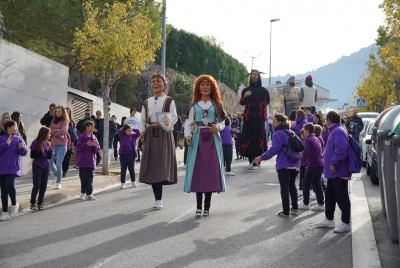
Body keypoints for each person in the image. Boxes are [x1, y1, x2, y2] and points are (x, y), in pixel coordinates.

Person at [184, 74, 227, 216]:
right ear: (198, 87)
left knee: (210, 172)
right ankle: (198, 206)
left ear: (212, 87)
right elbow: (189, 123)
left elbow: (223, 122)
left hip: (213, 140)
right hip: (197, 140)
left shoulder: (217, 105)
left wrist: (218, 127)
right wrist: (187, 136)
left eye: (208, 84)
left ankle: (207, 207)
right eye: (202, 84)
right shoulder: (194, 105)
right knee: (199, 172)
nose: (205, 87)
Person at [139, 73, 178, 209]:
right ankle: (158, 198)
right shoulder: (146, 102)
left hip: (165, 135)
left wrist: (166, 122)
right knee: (153, 165)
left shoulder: (169, 101)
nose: (155, 84)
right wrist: (142, 131)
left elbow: (174, 117)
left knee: (162, 165)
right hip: (151, 135)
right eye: (153, 81)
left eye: (158, 81)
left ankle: (159, 197)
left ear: (164, 84)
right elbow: (143, 120)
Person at [253, 113, 299, 217]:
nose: (272, 123)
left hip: (284, 163)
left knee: (284, 187)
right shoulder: (291, 131)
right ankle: (295, 207)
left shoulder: (278, 133)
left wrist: (261, 157)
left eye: (274, 121)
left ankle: (286, 211)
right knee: (292, 185)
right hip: (295, 162)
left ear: (279, 122)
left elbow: (274, 149)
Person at [315, 111, 352, 233]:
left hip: (338, 171)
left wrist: (333, 163)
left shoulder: (338, 131)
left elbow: (341, 149)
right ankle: (329, 219)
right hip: (333, 173)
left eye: (326, 120)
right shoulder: (336, 130)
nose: (325, 122)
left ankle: (346, 222)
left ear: (329, 120)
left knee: (341, 197)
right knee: (330, 196)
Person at [239, 70, 270, 170]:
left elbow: (267, 101)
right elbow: (241, 102)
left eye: (256, 75)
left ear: (259, 77)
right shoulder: (246, 90)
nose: (254, 76)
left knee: (258, 139)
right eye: (252, 75)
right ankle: (251, 160)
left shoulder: (264, 91)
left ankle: (257, 160)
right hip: (248, 119)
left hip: (259, 119)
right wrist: (245, 96)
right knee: (249, 139)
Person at [0, 120, 28, 221]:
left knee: (10, 184)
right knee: (3, 191)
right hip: (2, 168)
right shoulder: (1, 138)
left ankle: (14, 204)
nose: (16, 128)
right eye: (15, 127)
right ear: (8, 128)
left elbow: (24, 153)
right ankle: (4, 212)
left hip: (13, 168)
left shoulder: (18, 139)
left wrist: (22, 148)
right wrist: (6, 144)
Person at [298, 123, 325, 211]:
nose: (304, 133)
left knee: (305, 183)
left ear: (307, 131)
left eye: (305, 131)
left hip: (313, 164)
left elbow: (306, 153)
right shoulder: (316, 138)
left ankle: (306, 203)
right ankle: (321, 204)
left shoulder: (307, 140)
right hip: (320, 163)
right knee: (317, 184)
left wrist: (298, 154)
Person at [29, 127, 54, 210]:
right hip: (37, 165)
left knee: (44, 185)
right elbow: (32, 156)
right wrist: (40, 152)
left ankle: (40, 203)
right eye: (48, 133)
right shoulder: (35, 143)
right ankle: (33, 203)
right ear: (44, 134)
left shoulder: (48, 144)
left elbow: (48, 156)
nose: (50, 135)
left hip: (45, 165)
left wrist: (51, 153)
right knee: (37, 185)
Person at [76, 121, 100, 200]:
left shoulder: (94, 137)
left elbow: (97, 150)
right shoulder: (82, 137)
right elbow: (78, 147)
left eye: (93, 126)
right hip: (83, 161)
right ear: (86, 127)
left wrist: (95, 145)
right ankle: (83, 192)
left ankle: (89, 193)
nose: (93, 128)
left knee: (90, 178)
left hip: (91, 161)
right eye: (91, 126)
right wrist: (86, 144)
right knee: (83, 178)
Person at [48, 105, 70, 189]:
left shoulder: (65, 121)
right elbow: (50, 131)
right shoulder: (53, 120)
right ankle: (57, 175)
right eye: (56, 111)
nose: (58, 113)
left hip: (62, 145)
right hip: (53, 144)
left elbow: (63, 131)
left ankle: (59, 182)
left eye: (59, 111)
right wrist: (57, 131)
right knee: (50, 162)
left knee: (58, 164)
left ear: (63, 112)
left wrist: (55, 131)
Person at [118, 124, 140, 189]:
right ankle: (122, 183)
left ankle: (133, 181)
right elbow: (119, 130)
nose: (129, 132)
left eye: (130, 131)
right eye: (127, 131)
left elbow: (138, 132)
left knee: (131, 169)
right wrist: (125, 127)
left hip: (131, 155)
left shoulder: (133, 136)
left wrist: (132, 129)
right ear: (124, 131)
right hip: (123, 155)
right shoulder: (122, 136)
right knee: (123, 169)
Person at [62, 107, 78, 178]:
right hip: (61, 142)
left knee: (67, 158)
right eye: (66, 111)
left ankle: (64, 171)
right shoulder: (60, 121)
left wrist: (76, 141)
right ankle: (61, 170)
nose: (67, 113)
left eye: (69, 112)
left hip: (69, 143)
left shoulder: (71, 122)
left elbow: (74, 133)